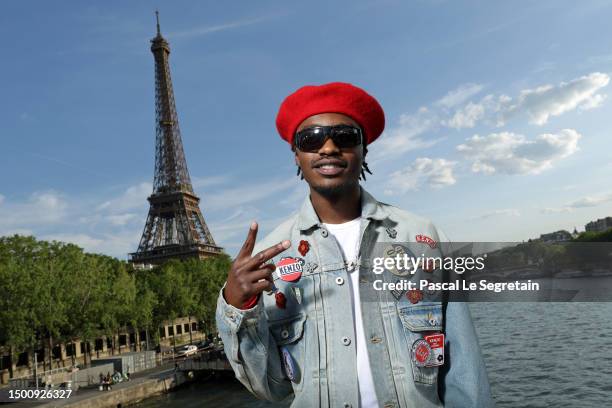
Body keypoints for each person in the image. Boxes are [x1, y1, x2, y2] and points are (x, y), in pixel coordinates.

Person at [216, 82, 493, 407]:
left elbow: (464, 371)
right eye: (312, 139)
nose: (329, 148)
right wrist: (238, 306)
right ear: (296, 154)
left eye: (345, 137)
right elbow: (272, 389)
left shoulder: (424, 237)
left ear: (364, 150)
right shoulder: (271, 256)